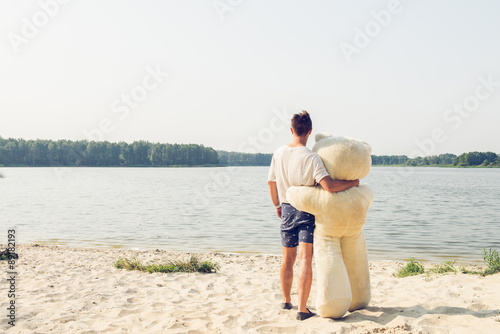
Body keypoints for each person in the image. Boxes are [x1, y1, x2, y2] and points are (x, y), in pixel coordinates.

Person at [267, 111, 359, 321]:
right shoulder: (311, 157)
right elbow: (329, 186)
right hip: (306, 211)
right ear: (309, 131)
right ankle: (302, 309)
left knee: (287, 259)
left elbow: (271, 182)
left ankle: (285, 300)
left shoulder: (278, 153)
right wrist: (353, 183)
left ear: (291, 130)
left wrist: (276, 205)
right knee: (305, 259)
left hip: (287, 209)